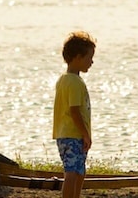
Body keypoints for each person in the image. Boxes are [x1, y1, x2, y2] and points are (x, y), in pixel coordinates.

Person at [54, 32, 97, 198]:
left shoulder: (64, 80)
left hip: (66, 134)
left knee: (79, 171)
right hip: (73, 134)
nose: (91, 62)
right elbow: (74, 111)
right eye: (89, 58)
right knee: (71, 173)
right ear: (78, 57)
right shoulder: (74, 82)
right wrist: (85, 134)